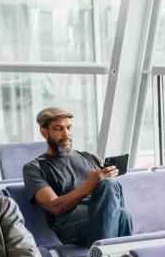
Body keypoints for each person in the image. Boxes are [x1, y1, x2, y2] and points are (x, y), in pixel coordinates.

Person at [22, 106, 133, 247]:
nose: (66, 133)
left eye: (68, 128)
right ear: (44, 132)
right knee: (120, 212)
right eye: (58, 128)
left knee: (122, 213)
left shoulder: (89, 158)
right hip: (69, 224)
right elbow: (55, 207)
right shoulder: (34, 168)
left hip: (100, 213)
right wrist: (88, 185)